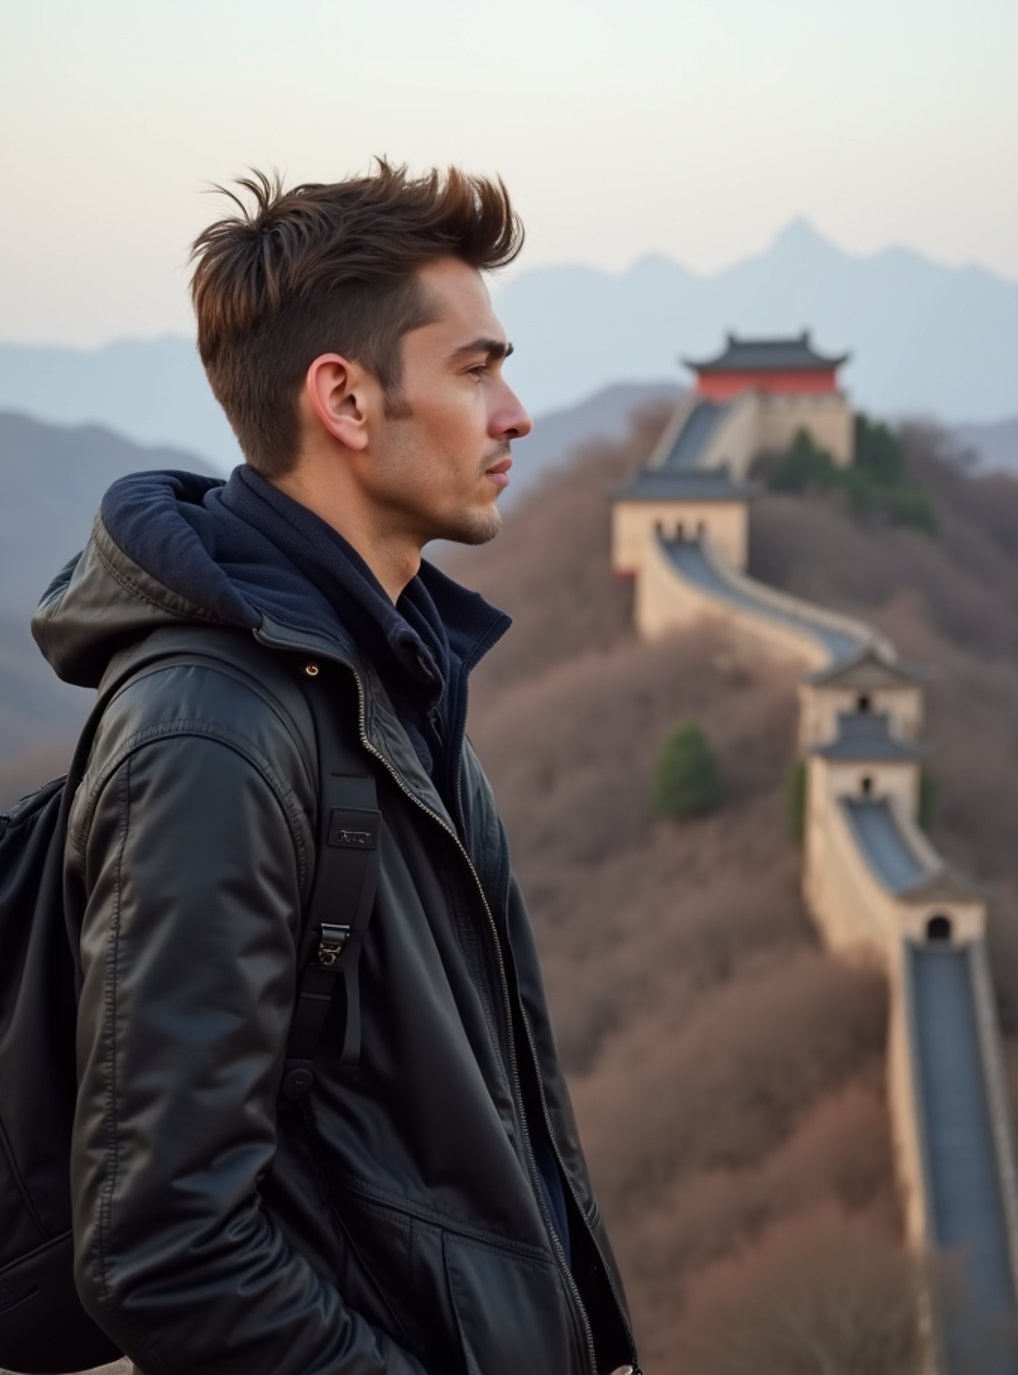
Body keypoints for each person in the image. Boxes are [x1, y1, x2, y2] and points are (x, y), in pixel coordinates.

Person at [33, 163, 640, 1375]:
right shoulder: (211, 736)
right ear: (346, 402)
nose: (516, 414)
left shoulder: (390, 681)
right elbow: (165, 1247)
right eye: (475, 370)